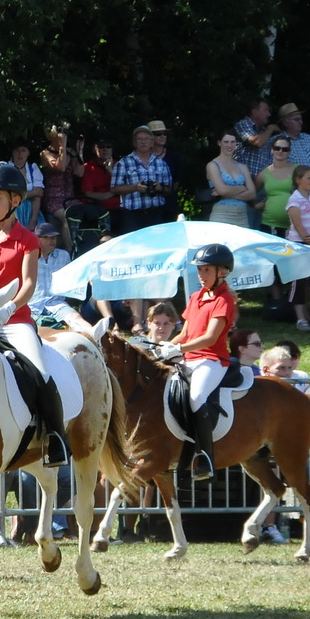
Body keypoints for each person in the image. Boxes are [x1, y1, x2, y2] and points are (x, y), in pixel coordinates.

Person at [0, 162, 70, 465]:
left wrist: (9, 307)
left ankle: (54, 436)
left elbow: (29, 284)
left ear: (15, 201)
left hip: (15, 319)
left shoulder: (27, 239)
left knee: (41, 371)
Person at [169, 243, 238, 479]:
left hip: (212, 360)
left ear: (222, 271)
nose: (201, 275)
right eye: (199, 270)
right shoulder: (196, 296)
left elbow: (209, 337)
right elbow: (185, 334)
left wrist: (178, 347)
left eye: (207, 270)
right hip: (189, 358)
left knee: (197, 396)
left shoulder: (224, 300)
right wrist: (164, 347)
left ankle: (206, 457)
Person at [284, 163, 310, 331]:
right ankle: (300, 318)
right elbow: (298, 224)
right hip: (299, 245)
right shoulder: (294, 199)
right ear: (298, 180)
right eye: (308, 178)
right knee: (300, 280)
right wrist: (308, 240)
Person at [111, 126, 172, 235]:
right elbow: (114, 189)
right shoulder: (123, 163)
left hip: (155, 213)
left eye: (146, 139)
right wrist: (135, 187)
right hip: (132, 215)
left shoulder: (161, 163)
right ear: (134, 143)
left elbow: (169, 189)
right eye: (139, 139)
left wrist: (159, 187)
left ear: (152, 143)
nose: (143, 142)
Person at [205, 130, 256, 228]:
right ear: (219, 143)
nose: (229, 145)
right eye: (226, 142)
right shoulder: (213, 165)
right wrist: (242, 188)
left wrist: (226, 193)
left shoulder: (242, 166)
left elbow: (252, 194)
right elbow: (222, 190)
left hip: (242, 215)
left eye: (232, 142)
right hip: (222, 214)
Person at [38, 126, 79, 248]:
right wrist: (63, 146)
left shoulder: (70, 151)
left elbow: (79, 172)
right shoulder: (45, 153)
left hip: (69, 197)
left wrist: (79, 151)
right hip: (53, 199)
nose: (63, 136)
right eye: (59, 134)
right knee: (68, 217)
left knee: (85, 212)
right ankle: (70, 252)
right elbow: (60, 168)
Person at [259, 135, 298, 235]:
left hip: (294, 225)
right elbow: (251, 191)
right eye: (277, 148)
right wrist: (254, 204)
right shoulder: (264, 173)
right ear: (272, 150)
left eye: (285, 149)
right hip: (269, 223)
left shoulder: (298, 170)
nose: (280, 151)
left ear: (289, 152)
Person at [274, 103, 310, 169]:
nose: (301, 122)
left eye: (301, 119)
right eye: (296, 119)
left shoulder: (309, 139)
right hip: (287, 179)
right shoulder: (275, 141)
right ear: (285, 123)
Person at [233, 97, 276, 177]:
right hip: (242, 180)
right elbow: (257, 142)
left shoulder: (264, 132)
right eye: (265, 110)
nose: (269, 114)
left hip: (261, 182)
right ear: (255, 112)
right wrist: (271, 128)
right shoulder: (243, 124)